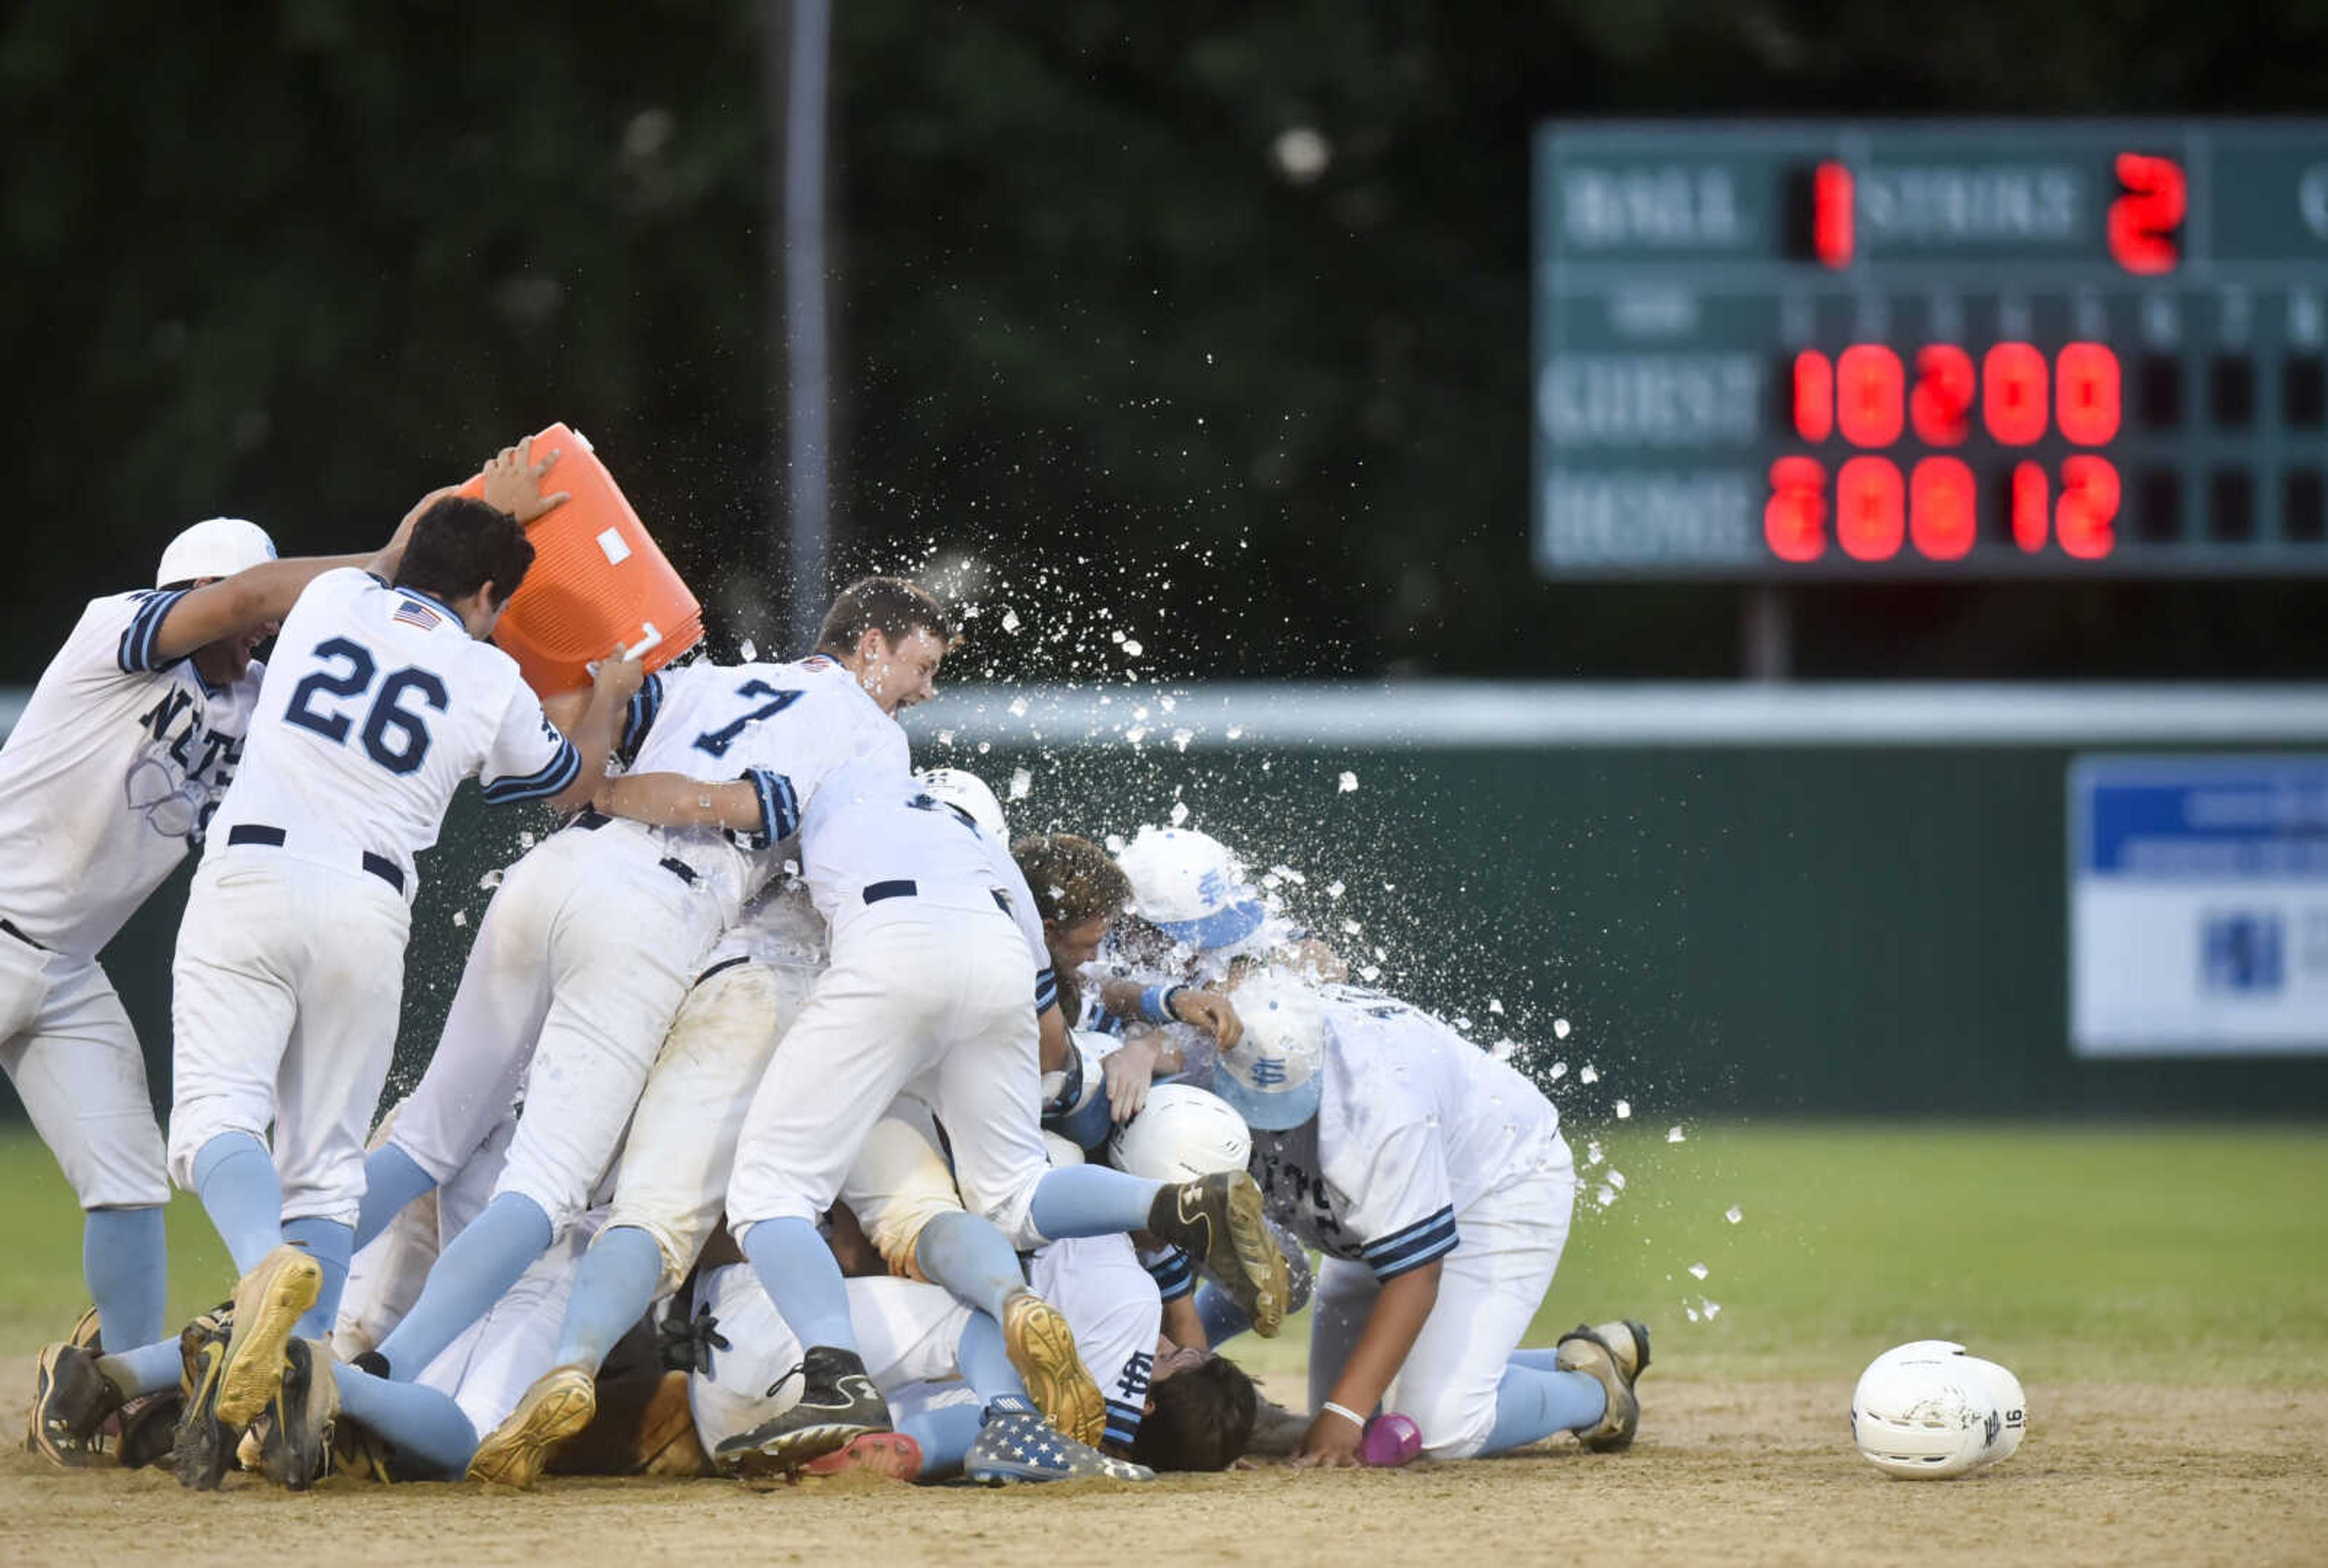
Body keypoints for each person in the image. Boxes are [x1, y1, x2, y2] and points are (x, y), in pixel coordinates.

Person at [358, 579, 957, 1485]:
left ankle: (258, 1305)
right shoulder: (874, 736)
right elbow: (748, 806)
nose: (924, 690)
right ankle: (364, 1378)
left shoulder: (717, 677)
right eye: (921, 665)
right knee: (557, 1193)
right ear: (870, 642)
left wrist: (596, 768)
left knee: (430, 1133)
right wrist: (630, 791)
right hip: (653, 915)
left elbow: (567, 716)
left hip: (551, 871)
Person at [161, 449, 655, 1489]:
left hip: (252, 868)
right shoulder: (489, 676)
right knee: (331, 1172)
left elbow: (406, 542)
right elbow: (579, 786)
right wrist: (607, 689)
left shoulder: (339, 595)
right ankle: (300, 1388)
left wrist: (474, 505)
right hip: (367, 905)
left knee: (214, 1118)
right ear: (487, 597)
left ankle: (263, 1266)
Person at [13, 490, 455, 1466]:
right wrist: (390, 555)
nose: (261, 632)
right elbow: (247, 592)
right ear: (197, 594)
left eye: (270, 625)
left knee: (129, 1177)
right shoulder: (116, 631)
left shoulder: (261, 701)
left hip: (70, 967)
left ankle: (116, 1393)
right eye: (249, 616)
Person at [1209, 966, 1651, 1466]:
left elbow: (1417, 1276)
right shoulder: (1217, 1039)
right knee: (1348, 1414)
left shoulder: (1378, 1110)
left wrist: (1345, 1414)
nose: (1271, 1119)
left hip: (1494, 1186)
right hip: (1370, 1213)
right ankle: (1555, 1359)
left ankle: (1594, 1388)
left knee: (1440, 1428)